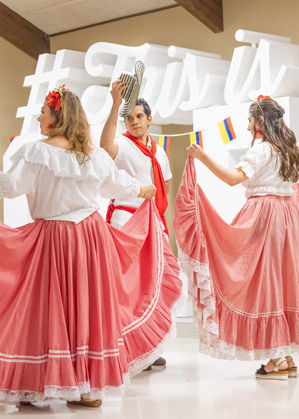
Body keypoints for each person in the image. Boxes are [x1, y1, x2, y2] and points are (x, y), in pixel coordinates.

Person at [0, 86, 182, 406]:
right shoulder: (92, 155)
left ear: (57, 116)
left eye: (43, 110)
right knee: (85, 308)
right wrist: (144, 190)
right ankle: (86, 387)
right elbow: (117, 185)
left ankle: (41, 382)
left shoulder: (39, 152)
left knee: (47, 310)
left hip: (56, 238)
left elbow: (8, 185)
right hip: (91, 238)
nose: (38, 115)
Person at [174, 96, 299, 380]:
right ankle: (285, 354)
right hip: (288, 217)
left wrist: (202, 157)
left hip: (265, 215)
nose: (248, 126)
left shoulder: (262, 150)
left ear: (260, 122)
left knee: (263, 280)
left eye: (249, 120)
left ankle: (276, 358)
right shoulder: (288, 149)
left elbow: (232, 179)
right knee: (282, 279)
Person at [100, 79, 176, 368]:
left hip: (152, 224)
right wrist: (115, 104)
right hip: (126, 220)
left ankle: (148, 347)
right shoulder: (124, 146)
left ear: (149, 119)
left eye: (139, 117)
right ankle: (123, 347)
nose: (134, 122)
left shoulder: (159, 151)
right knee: (125, 286)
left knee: (150, 285)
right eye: (129, 118)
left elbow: (165, 182)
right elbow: (105, 146)